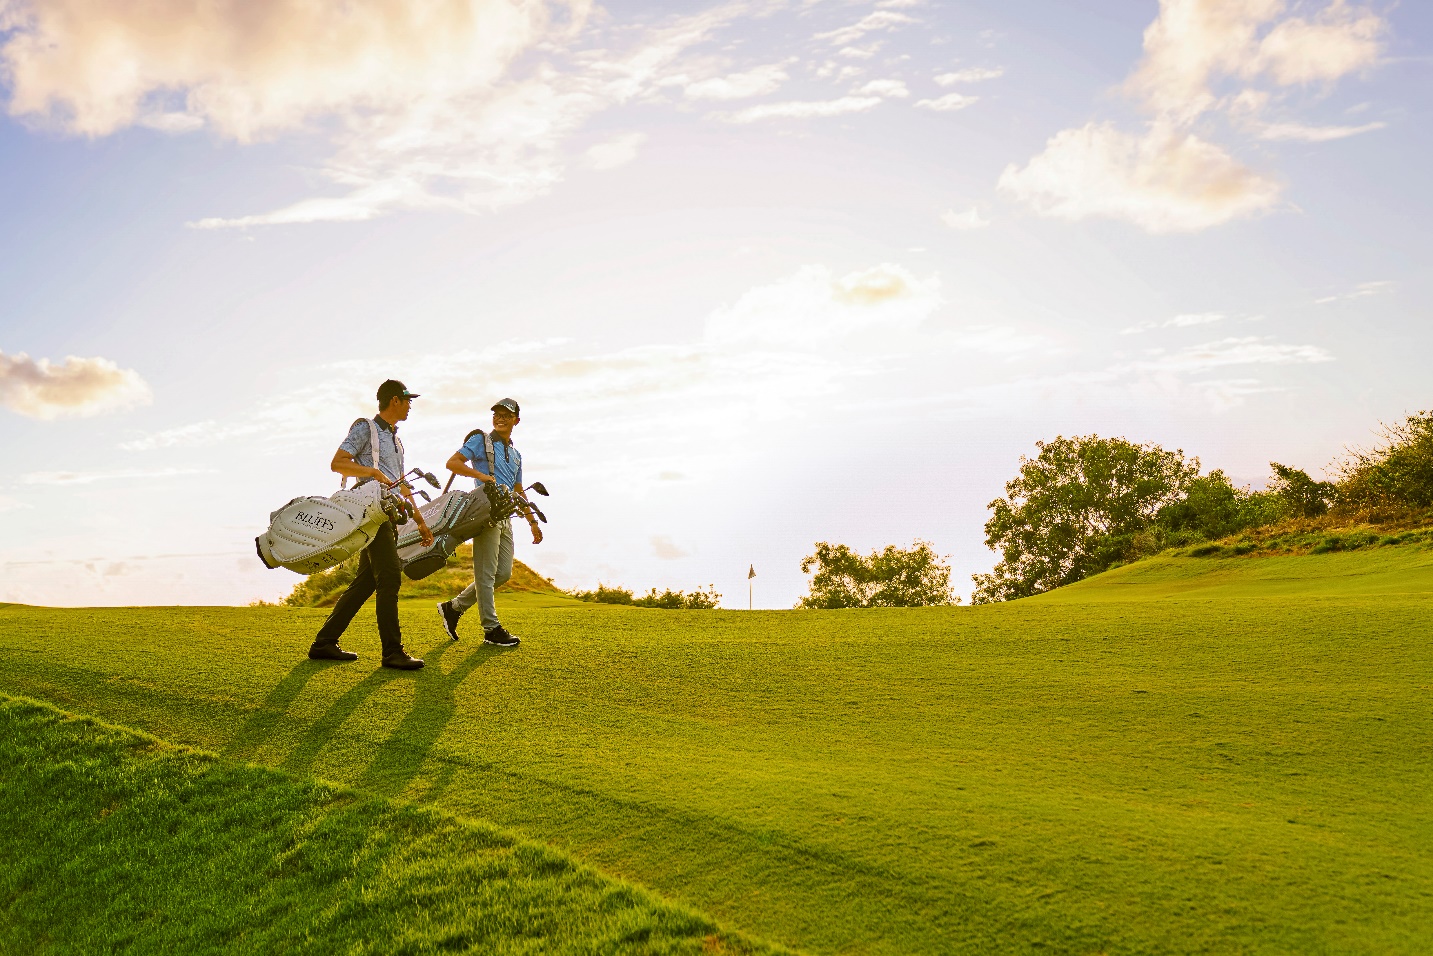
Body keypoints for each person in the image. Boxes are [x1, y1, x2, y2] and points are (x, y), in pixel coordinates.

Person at [308, 379, 433, 670]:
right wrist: (372, 472)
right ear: (394, 401)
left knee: (365, 583)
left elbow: (402, 486)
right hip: (368, 511)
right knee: (389, 576)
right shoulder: (366, 428)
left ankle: (324, 643)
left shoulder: (396, 440)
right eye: (407, 400)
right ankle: (392, 652)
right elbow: (338, 462)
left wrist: (420, 520)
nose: (410, 405)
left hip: (387, 514)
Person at [436, 397, 543, 647]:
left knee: (503, 573)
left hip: (506, 516)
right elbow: (452, 463)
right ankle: (491, 629)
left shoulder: (516, 454)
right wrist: (481, 476)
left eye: (506, 415)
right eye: (496, 414)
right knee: (485, 574)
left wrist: (531, 520)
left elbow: (519, 489)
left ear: (516, 420)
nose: (500, 418)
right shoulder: (480, 441)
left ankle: (454, 607)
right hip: (486, 513)